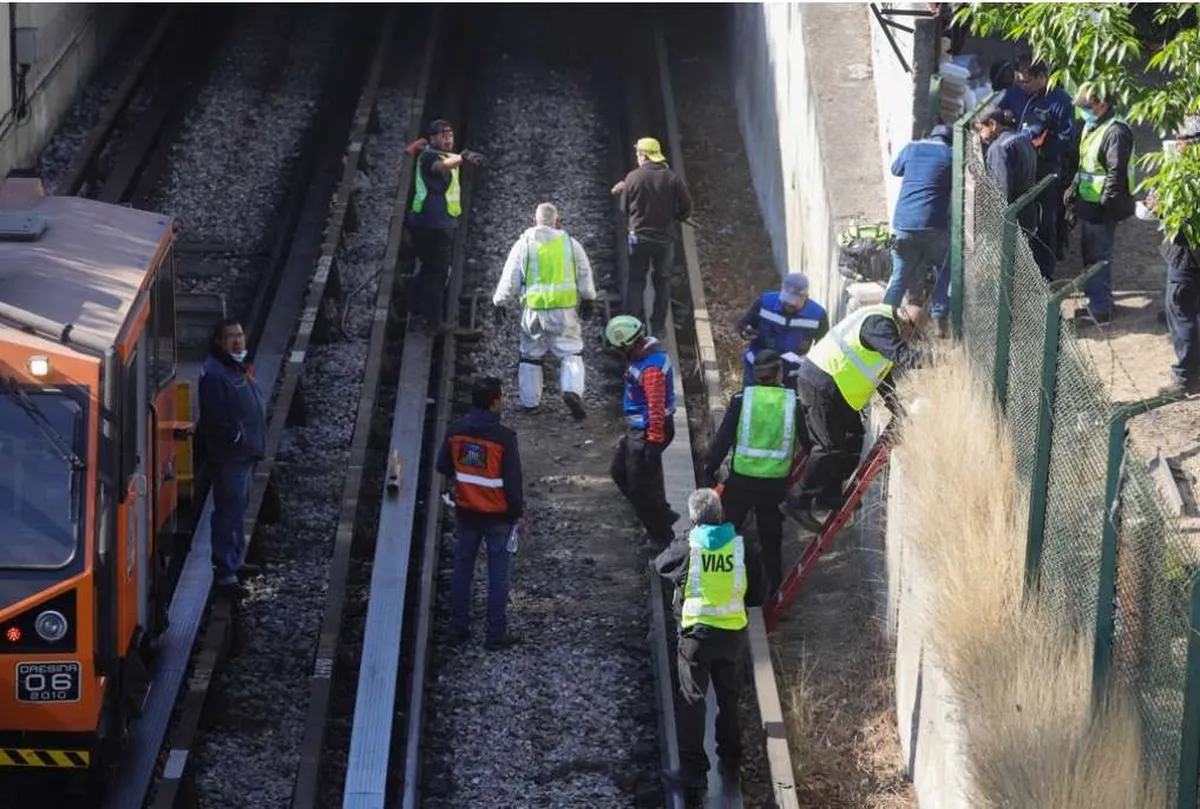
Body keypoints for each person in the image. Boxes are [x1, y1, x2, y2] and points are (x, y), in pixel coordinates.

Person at [654, 488, 766, 806]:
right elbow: (758, 595)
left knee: (692, 701)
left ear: (693, 518)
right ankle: (731, 760)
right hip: (732, 637)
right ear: (721, 515)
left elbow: (662, 565)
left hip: (696, 638)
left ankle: (693, 771)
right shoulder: (743, 546)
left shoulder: (689, 545)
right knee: (728, 701)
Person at [787, 303, 927, 533]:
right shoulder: (880, 325)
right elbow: (903, 357)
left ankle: (829, 496)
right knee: (828, 447)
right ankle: (798, 500)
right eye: (914, 334)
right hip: (822, 382)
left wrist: (897, 409)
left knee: (854, 437)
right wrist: (940, 360)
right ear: (907, 324)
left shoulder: (884, 329)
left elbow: (881, 376)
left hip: (835, 389)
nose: (911, 339)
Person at [705, 350, 804, 596]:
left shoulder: (742, 399)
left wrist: (709, 470)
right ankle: (773, 590)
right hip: (775, 483)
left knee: (725, 529)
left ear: (754, 374)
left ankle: (713, 582)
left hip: (742, 480)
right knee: (770, 536)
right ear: (779, 373)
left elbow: (723, 440)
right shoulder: (794, 402)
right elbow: (809, 443)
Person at [436, 376, 523, 651]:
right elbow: (513, 482)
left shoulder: (455, 431)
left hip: (467, 513)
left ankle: (458, 627)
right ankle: (495, 634)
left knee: (463, 570)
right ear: (495, 403)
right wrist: (518, 513)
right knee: (498, 576)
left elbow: (443, 466)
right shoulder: (504, 439)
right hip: (499, 518)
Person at [492, 202, 597, 419]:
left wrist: (499, 302)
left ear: (534, 221)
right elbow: (584, 271)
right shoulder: (570, 244)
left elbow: (510, 275)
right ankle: (571, 390)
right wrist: (588, 297)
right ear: (558, 222)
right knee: (570, 352)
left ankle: (530, 403)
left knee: (530, 355)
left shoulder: (524, 244)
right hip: (564, 310)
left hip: (534, 310)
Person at [197, 319, 266, 594]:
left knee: (238, 508)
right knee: (228, 510)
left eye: (240, 335)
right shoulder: (214, 374)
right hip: (231, 457)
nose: (238, 341)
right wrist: (237, 437)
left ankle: (235, 562)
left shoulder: (235, 366)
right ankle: (225, 572)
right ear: (219, 342)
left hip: (245, 453)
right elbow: (214, 418)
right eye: (231, 337)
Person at [1063, 89, 1136, 324]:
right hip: (1089, 203)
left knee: (1097, 257)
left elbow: (1116, 175)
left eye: (1088, 107)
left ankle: (1101, 310)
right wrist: (1074, 189)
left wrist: (1104, 207)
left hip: (1102, 208)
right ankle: (1098, 301)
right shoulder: (1093, 126)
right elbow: (1087, 165)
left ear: (1103, 105)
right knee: (1091, 256)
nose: (1084, 112)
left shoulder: (1115, 131)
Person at [606, 314, 679, 546]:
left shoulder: (650, 369)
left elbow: (655, 406)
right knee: (620, 472)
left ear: (630, 345)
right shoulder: (644, 354)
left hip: (648, 431)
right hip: (639, 429)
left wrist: (654, 441)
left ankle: (661, 533)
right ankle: (661, 513)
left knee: (638, 487)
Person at [406, 118, 484, 333]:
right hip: (432, 226)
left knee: (429, 269)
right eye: (443, 135)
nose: (448, 139)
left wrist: (459, 157)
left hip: (431, 223)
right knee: (437, 273)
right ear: (433, 138)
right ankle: (432, 322)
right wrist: (463, 157)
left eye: (450, 135)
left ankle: (413, 309)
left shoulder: (434, 152)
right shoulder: (430, 157)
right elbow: (440, 167)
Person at [611, 136, 694, 336]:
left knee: (637, 280)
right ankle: (657, 327)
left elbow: (624, 209)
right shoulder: (672, 178)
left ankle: (632, 325)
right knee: (662, 282)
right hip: (664, 240)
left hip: (638, 238)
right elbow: (687, 206)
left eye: (638, 153)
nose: (637, 157)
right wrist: (678, 216)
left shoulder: (632, 178)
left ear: (644, 155)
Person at [1143, 117, 1200, 396]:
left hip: (1186, 255)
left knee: (1181, 311)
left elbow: (1166, 210)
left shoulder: (1181, 173)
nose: (1176, 143)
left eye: (1182, 139)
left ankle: (1186, 378)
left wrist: (1157, 205)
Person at [882, 124, 953, 338]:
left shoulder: (912, 148)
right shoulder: (951, 155)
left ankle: (882, 320)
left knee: (899, 276)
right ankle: (939, 318)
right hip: (933, 225)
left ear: (929, 135)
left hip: (902, 225)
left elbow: (896, 169)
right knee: (946, 267)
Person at [1012, 62, 1077, 281]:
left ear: (1041, 77)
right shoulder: (1016, 94)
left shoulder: (1061, 101)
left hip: (1046, 168)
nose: (1022, 85)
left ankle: (1044, 271)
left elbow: (1067, 139)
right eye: (1019, 80)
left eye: (1026, 81)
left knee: (1046, 220)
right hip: (1020, 167)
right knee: (1020, 217)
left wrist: (1042, 145)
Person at [737, 272, 829, 389]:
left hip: (791, 374)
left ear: (805, 297)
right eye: (785, 300)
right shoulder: (765, 302)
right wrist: (746, 331)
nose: (788, 305)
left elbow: (825, 346)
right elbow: (744, 324)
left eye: (793, 303)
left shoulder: (817, 315)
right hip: (758, 369)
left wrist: (810, 360)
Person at [976, 108, 1038, 232]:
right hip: (1028, 211)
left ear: (993, 124)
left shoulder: (999, 148)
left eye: (981, 129)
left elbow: (1000, 190)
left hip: (1010, 220)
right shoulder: (1022, 138)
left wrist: (994, 222)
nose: (980, 136)